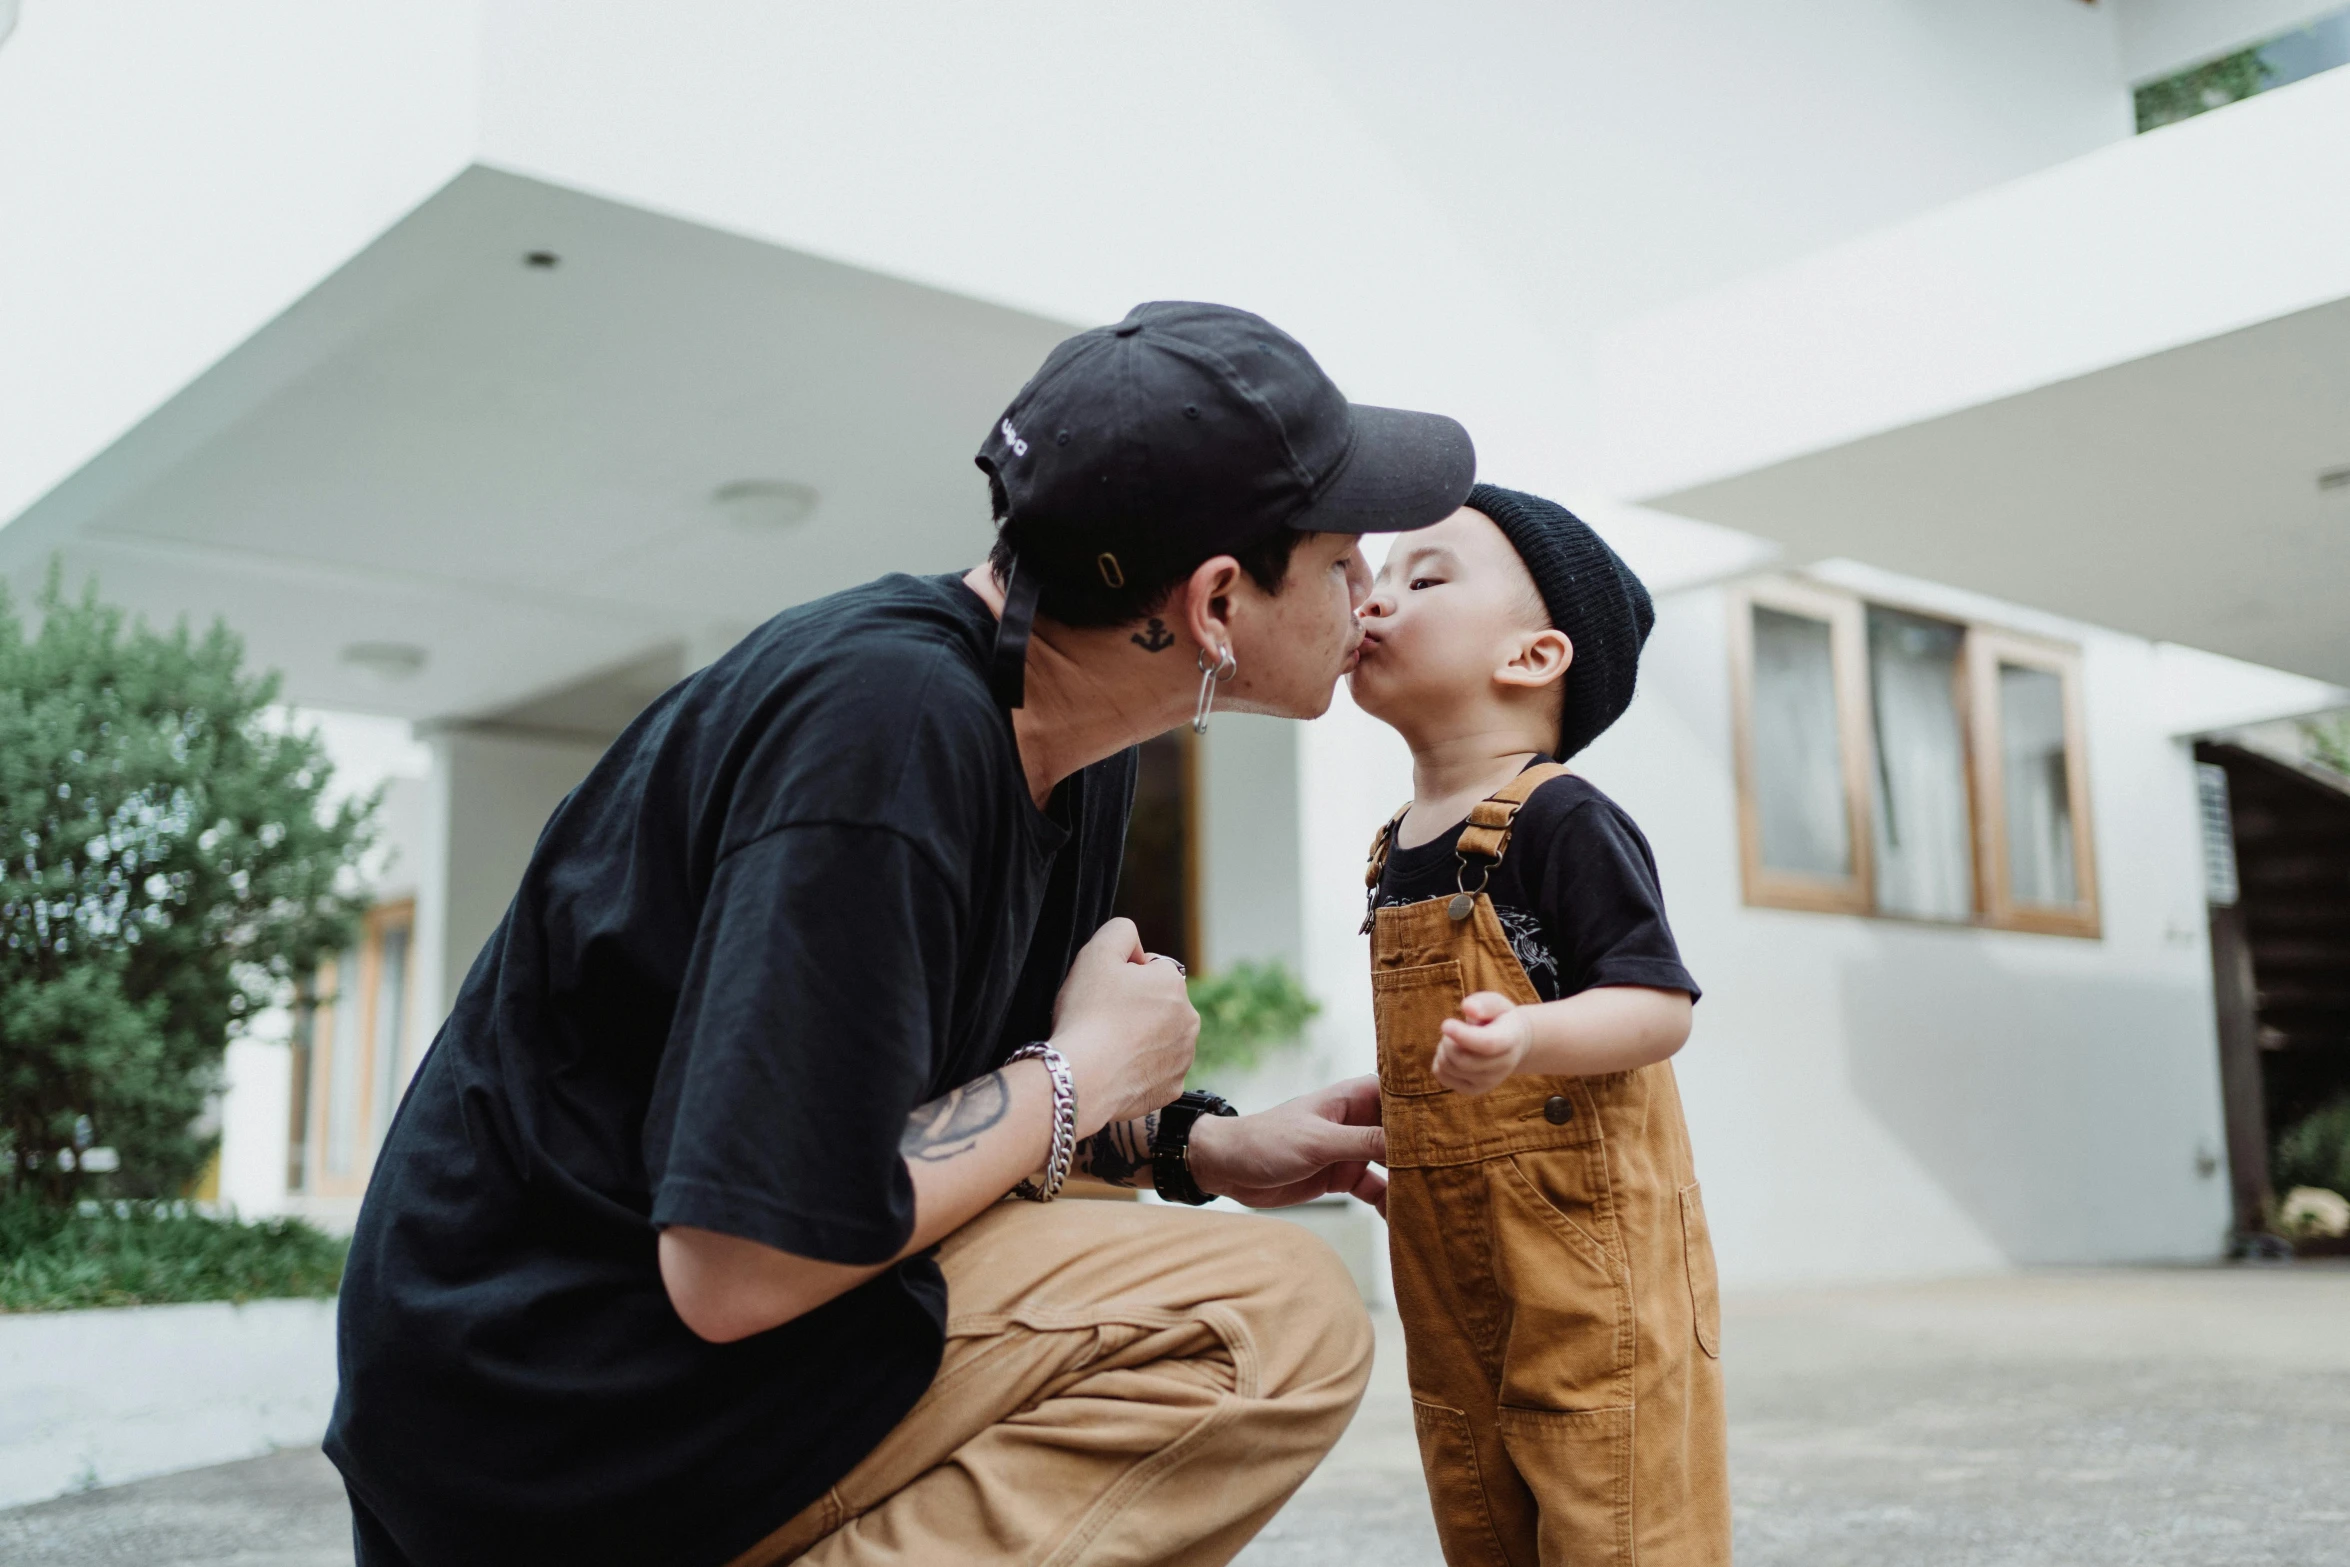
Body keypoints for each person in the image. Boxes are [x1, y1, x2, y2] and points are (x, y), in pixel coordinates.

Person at [324, 301, 1478, 1567]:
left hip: (642, 1358)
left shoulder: (1066, 738)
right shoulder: (884, 735)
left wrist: (1201, 1142)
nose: (1366, 595)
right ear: (1214, 603)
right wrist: (1084, 1070)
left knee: (1203, 1261)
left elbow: (934, 1109)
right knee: (1266, 1318)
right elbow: (743, 1261)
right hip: (555, 1404)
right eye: (1340, 558)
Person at [1345, 484, 1728, 1565]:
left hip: (1587, 1250)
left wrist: (1522, 1041)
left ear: (1532, 657)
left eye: (1421, 579)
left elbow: (1655, 1007)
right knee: (1479, 1491)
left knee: (1612, 1494)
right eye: (1369, 579)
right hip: (1448, 1257)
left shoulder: (1562, 813)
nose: (1373, 600)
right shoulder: (1393, 846)